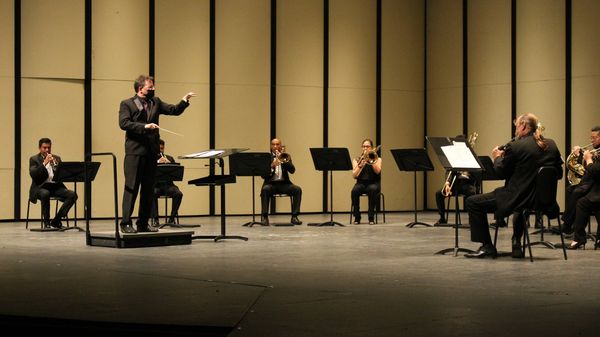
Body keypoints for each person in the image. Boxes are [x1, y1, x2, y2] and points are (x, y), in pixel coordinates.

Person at [464, 113, 562, 259]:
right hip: (542, 200)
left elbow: (500, 173)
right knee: (522, 206)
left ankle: (487, 246)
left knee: (472, 202)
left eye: (516, 127)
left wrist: (497, 157)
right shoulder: (551, 144)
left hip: (516, 198)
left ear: (523, 125)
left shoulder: (515, 146)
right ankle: (516, 240)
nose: (515, 130)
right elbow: (558, 174)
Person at [118, 75, 195, 233]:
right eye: (150, 87)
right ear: (140, 89)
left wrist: (184, 101)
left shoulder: (156, 102)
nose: (153, 89)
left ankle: (143, 223)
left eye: (153, 87)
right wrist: (145, 127)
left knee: (148, 190)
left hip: (151, 153)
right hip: (135, 153)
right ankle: (125, 223)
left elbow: (173, 110)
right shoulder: (127, 104)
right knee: (131, 188)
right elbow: (124, 123)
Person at [29, 138, 78, 229]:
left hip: (55, 186)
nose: (47, 150)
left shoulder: (57, 158)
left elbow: (62, 175)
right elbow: (34, 175)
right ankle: (46, 222)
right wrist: (44, 163)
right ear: (39, 148)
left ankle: (56, 220)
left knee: (72, 195)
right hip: (40, 187)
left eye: (49, 147)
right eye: (44, 148)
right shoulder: (34, 159)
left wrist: (55, 167)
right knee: (45, 193)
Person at [563, 131, 600, 250]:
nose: (591, 140)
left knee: (581, 200)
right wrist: (580, 155)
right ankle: (578, 237)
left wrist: (588, 159)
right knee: (580, 199)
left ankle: (575, 235)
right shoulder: (597, 152)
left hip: (596, 188)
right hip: (595, 188)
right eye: (591, 137)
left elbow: (595, 171)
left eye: (594, 138)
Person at [434, 135, 478, 226]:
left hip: (467, 183)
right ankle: (442, 218)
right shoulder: (454, 157)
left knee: (471, 192)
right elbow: (449, 171)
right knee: (439, 193)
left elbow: (477, 174)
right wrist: (447, 183)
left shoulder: (471, 156)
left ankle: (472, 219)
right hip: (456, 184)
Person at [260, 138, 302, 225]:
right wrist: (271, 166)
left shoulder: (285, 156)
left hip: (284, 184)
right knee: (265, 189)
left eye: (277, 144)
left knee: (297, 189)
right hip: (271, 184)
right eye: (273, 144)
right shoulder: (267, 157)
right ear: (271, 146)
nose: (275, 146)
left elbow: (292, 170)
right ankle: (265, 217)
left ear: (280, 146)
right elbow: (263, 175)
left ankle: (294, 217)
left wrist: (284, 161)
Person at [150, 139, 183, 227]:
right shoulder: (150, 159)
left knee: (178, 194)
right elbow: (148, 174)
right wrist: (157, 163)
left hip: (168, 185)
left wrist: (169, 164)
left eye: (162, 148)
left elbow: (175, 173)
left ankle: (171, 219)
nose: (160, 150)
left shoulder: (170, 158)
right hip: (156, 185)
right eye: (158, 148)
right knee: (152, 193)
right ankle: (155, 219)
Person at [351, 138, 382, 225]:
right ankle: (357, 217)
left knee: (372, 190)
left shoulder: (377, 159)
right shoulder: (356, 160)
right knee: (354, 191)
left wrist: (371, 161)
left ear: (371, 148)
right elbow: (354, 175)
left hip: (373, 183)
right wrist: (360, 166)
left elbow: (377, 171)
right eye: (364, 146)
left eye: (367, 146)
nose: (365, 148)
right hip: (360, 183)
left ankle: (371, 217)